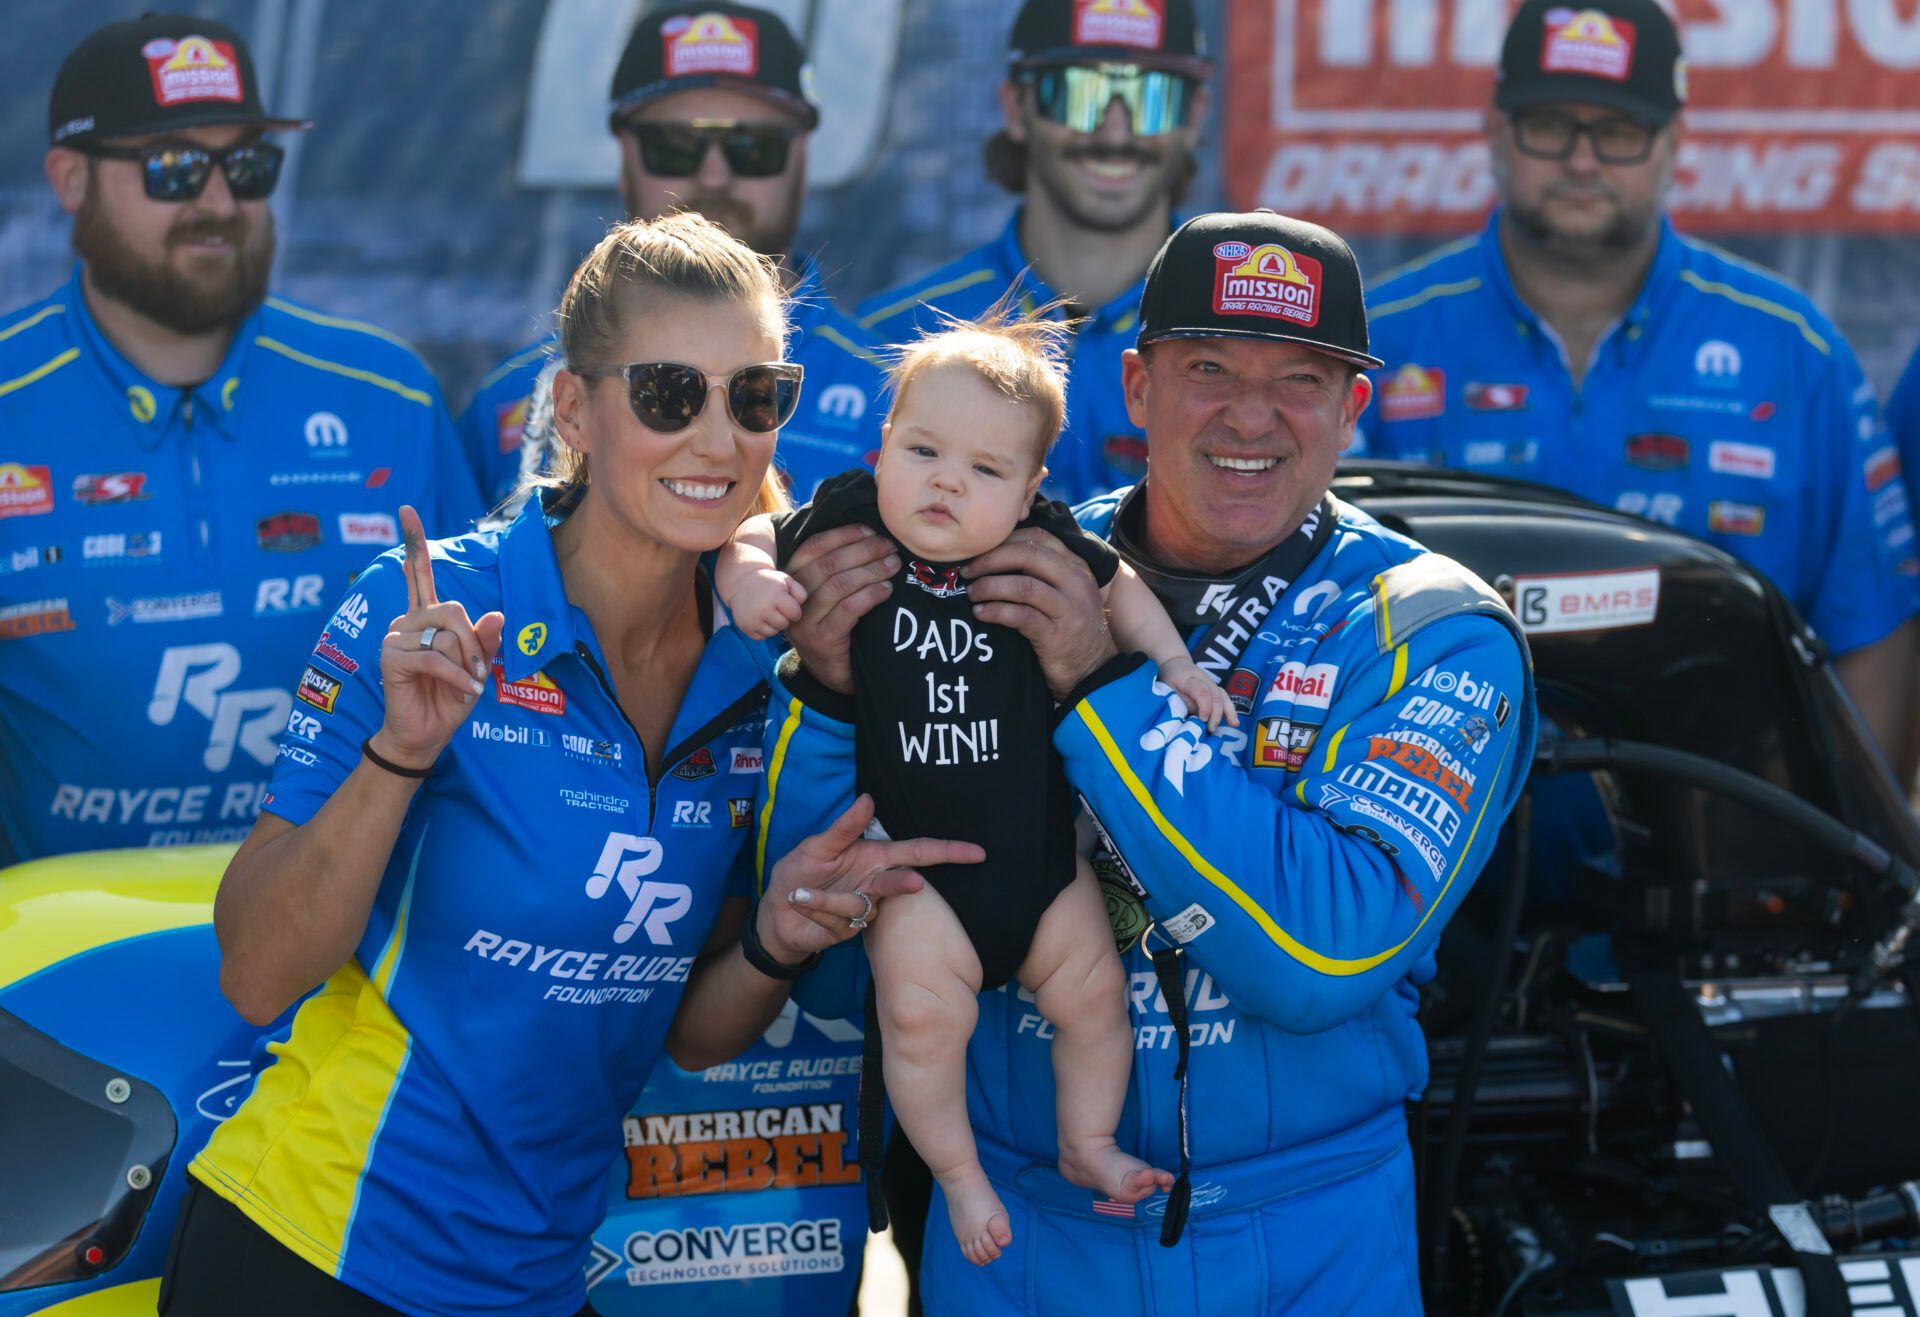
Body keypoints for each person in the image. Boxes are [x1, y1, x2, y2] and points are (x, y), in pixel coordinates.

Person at [162, 213, 980, 1317]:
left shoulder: (764, 667)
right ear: (572, 409)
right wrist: (400, 755)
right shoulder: (435, 610)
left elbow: (689, 1033)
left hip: (538, 1279)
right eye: (666, 394)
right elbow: (257, 973)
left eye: (753, 397)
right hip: (313, 1250)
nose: (715, 439)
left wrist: (779, 939)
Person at [759, 209, 1537, 1312]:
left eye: (1301, 378)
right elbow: (822, 922)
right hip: (1017, 1240)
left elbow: (1322, 957)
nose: (1251, 415)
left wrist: (1097, 683)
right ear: (1136, 390)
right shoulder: (994, 556)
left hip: (1305, 1242)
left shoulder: (1429, 628)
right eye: (1209, 367)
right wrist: (834, 693)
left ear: (1353, 408)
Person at [718, 310, 1233, 1265]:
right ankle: (957, 1177)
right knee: (920, 1019)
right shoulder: (850, 517)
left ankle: (1089, 1143)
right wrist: (749, 582)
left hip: (1041, 862)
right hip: (916, 871)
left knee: (1093, 1001)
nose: (947, 481)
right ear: (881, 449)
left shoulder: (1039, 543)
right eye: (922, 450)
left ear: (1035, 488)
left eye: (987, 470)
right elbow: (748, 530)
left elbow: (1121, 589)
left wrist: (1179, 668)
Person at [1360, 0, 1919, 776]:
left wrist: (1854, 884)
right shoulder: (1376, 342)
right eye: (1551, 125)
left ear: (1673, 143)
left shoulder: (1791, 350)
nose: (1583, 161)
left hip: (1719, 865)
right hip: (1431, 867)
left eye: (1619, 131)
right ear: (1495, 130)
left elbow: (1874, 630)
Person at [0, 13, 481, 865]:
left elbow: (490, 704)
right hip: (46, 967)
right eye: (173, 167)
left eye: (247, 166)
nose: (217, 202)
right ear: (70, 179)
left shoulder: (387, 397)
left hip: (334, 957)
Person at [460, 1, 886, 511]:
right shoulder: (512, 400)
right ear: (624, 159)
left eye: (752, 146)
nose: (712, 176)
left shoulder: (896, 395)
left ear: (802, 157)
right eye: (674, 147)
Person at [856, 0, 1213, 504]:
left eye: (1153, 97)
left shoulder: (1239, 337)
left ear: (1194, 116)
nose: (1116, 132)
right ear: (1016, 108)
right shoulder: (894, 334)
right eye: (1076, 93)